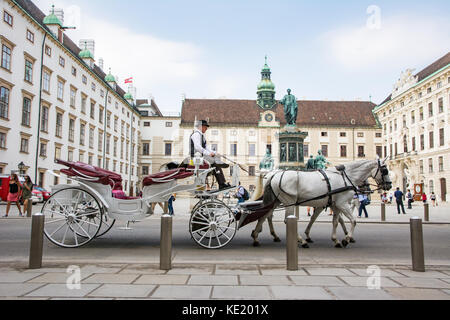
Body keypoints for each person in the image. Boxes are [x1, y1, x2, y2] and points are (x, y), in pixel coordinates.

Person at [187, 120, 231, 191]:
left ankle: (221, 182)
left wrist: (215, 152)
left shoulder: (201, 135)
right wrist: (209, 153)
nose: (206, 128)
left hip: (200, 157)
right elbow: (197, 147)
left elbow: (206, 148)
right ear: (200, 127)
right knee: (215, 162)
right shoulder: (196, 134)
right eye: (205, 127)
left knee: (215, 161)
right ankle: (221, 183)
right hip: (196, 157)